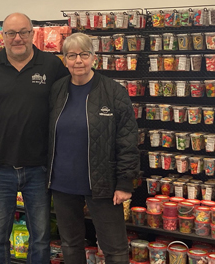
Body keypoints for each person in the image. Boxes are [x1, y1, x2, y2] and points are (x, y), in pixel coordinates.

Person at [0, 12, 69, 264]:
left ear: (32, 34)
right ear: (3, 36)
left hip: (39, 168)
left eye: (23, 32)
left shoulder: (52, 66)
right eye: (11, 33)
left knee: (40, 238)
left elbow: (66, 108)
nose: (17, 38)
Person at [47, 32, 140, 264]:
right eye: (71, 55)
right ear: (65, 60)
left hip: (103, 183)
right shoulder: (57, 90)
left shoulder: (113, 91)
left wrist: (125, 182)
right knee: (70, 244)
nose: (78, 61)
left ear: (94, 58)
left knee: (114, 248)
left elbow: (127, 139)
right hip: (63, 183)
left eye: (84, 54)